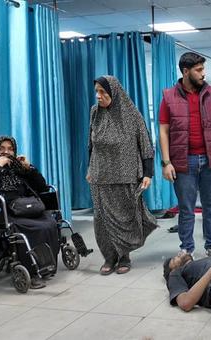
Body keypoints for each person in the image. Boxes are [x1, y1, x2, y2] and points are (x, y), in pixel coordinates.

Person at [159, 52, 211, 257]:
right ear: (186, 71)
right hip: (184, 161)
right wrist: (166, 162)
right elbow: (163, 130)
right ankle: (186, 249)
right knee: (186, 208)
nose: (203, 74)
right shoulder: (168, 96)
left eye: (203, 69)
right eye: (199, 70)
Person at [87, 75, 158, 275]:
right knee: (101, 219)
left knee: (126, 217)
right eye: (96, 91)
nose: (98, 96)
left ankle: (124, 255)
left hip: (126, 174)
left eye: (102, 91)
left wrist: (148, 173)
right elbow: (91, 145)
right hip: (101, 174)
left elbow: (146, 145)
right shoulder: (95, 113)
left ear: (114, 92)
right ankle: (109, 257)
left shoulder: (131, 114)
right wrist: (90, 168)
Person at [0, 136, 60, 289]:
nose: (6, 152)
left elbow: (42, 187)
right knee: (33, 229)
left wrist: (29, 168)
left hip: (28, 207)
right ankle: (32, 271)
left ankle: (46, 266)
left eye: (10, 149)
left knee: (49, 223)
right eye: (1, 148)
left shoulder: (17, 169)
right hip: (7, 212)